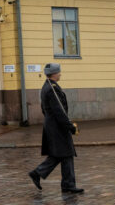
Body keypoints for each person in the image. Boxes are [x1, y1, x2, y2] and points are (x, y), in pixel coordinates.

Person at [28, 63, 84, 194]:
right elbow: (59, 111)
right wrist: (70, 127)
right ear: (54, 73)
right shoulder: (52, 89)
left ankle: (66, 184)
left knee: (62, 155)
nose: (60, 74)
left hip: (53, 125)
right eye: (58, 72)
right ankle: (42, 175)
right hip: (57, 127)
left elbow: (44, 109)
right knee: (65, 153)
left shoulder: (46, 86)